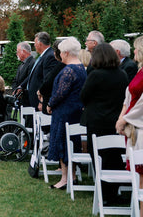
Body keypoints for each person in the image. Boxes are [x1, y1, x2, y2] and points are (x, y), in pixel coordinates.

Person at [80, 43, 128, 203]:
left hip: (96, 121)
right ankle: (113, 193)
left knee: (98, 157)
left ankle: (104, 193)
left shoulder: (96, 75)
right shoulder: (122, 75)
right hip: (114, 120)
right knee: (113, 157)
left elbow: (84, 96)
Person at [46, 37, 87, 190]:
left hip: (64, 112)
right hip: (75, 111)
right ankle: (73, 176)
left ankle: (65, 178)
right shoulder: (81, 67)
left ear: (67, 53)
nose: (60, 55)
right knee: (72, 144)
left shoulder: (69, 70)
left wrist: (50, 104)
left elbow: (60, 93)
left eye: (62, 52)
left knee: (63, 144)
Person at [116, 35, 143, 211]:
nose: (133, 51)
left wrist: (126, 118)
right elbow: (129, 94)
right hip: (132, 125)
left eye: (135, 48)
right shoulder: (140, 70)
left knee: (142, 172)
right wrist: (121, 116)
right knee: (138, 172)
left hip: (140, 124)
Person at [18, 32, 59, 112]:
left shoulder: (49, 56)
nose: (34, 46)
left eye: (35, 43)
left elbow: (47, 80)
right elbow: (33, 74)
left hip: (40, 100)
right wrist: (21, 86)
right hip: (34, 99)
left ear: (40, 44)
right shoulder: (42, 56)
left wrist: (42, 100)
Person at [37, 39, 65, 114]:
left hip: (54, 106)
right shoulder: (59, 66)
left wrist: (41, 92)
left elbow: (49, 82)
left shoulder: (60, 66)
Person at [12, 42, 35, 106]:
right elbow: (15, 80)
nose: (16, 54)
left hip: (28, 98)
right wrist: (15, 90)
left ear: (24, 51)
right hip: (20, 99)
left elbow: (30, 77)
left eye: (18, 52)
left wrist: (21, 88)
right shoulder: (21, 65)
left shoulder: (32, 63)